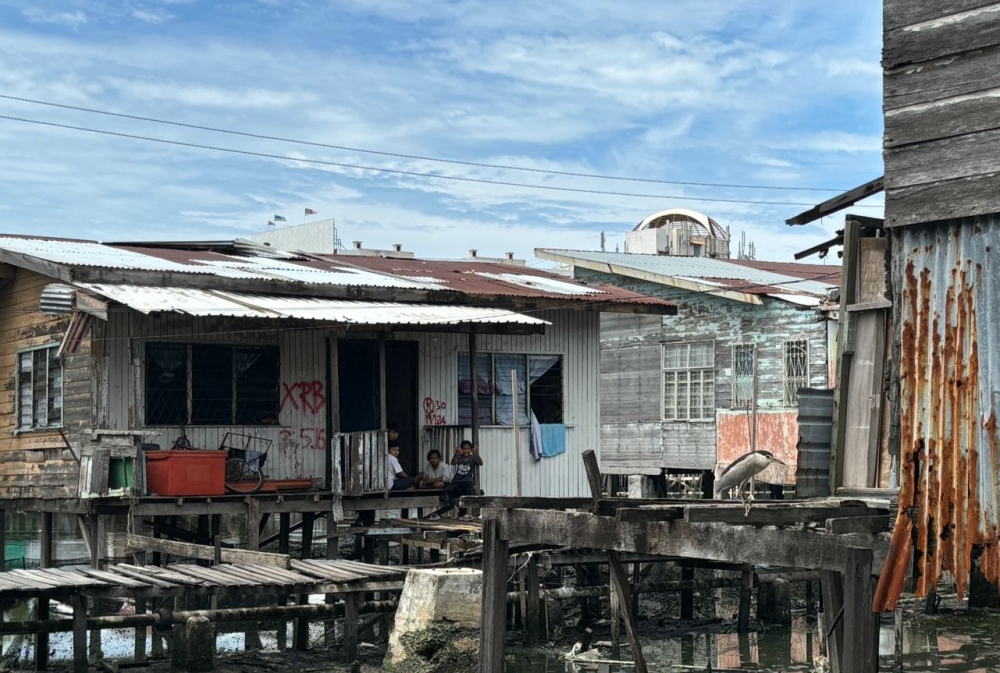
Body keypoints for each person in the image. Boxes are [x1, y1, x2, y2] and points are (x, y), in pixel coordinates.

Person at [447, 440, 483, 520]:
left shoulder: (473, 458)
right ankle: (455, 509)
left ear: (470, 449)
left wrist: (476, 454)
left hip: (468, 481)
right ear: (461, 449)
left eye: (468, 449)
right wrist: (456, 454)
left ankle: (469, 511)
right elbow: (453, 462)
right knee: (448, 489)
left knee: (470, 489)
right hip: (457, 481)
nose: (466, 450)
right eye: (464, 449)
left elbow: (480, 463)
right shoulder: (459, 457)